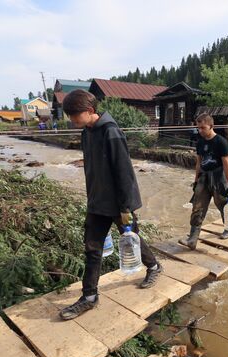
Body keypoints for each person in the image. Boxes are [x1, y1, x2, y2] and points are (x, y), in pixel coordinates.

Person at [59, 89, 161, 320]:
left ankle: (153, 266)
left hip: (118, 202)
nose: (73, 121)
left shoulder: (111, 132)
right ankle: (89, 297)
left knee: (131, 237)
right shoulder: (87, 132)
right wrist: (91, 197)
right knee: (92, 248)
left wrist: (125, 208)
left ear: (90, 111)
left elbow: (124, 173)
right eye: (71, 117)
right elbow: (91, 171)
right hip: (97, 201)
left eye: (75, 116)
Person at [180, 113, 228, 249]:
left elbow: (227, 164)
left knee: (222, 204)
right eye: (198, 128)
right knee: (197, 206)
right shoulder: (200, 142)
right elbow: (198, 163)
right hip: (204, 178)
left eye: (203, 128)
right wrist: (196, 180)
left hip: (218, 178)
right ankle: (192, 239)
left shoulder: (221, 142)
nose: (200, 131)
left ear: (211, 126)